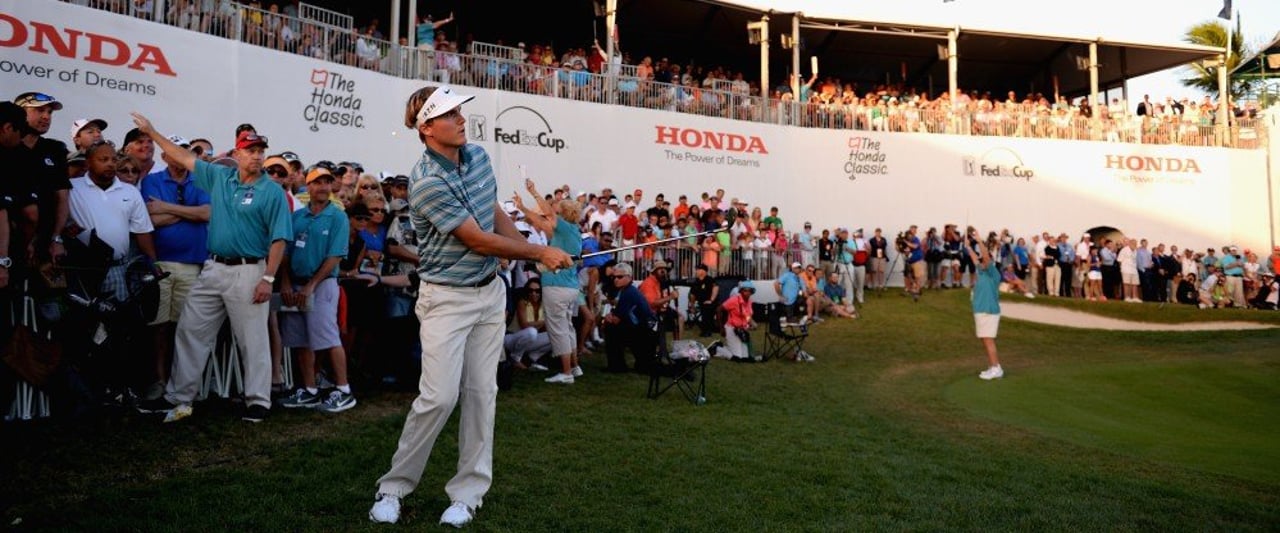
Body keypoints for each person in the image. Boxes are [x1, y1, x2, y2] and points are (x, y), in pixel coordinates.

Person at [369, 86, 572, 528]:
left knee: (483, 395)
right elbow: (475, 239)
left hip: (489, 293)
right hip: (447, 299)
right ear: (426, 128)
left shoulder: (477, 156)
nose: (462, 120)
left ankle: (468, 493)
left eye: (460, 112)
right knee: (438, 397)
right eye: (450, 115)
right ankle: (394, 486)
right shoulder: (426, 181)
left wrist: (529, 251)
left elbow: (492, 212)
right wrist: (539, 254)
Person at [132, 116, 292, 424]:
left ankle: (258, 400)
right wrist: (152, 132)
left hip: (249, 271)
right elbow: (183, 156)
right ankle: (178, 397)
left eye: (261, 150)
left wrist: (268, 279)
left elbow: (279, 238)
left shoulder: (271, 191)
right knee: (191, 329)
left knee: (252, 339)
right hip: (213, 266)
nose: (257, 155)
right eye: (251, 150)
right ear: (238, 153)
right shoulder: (221, 178)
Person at [138, 134, 212, 401]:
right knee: (158, 326)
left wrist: (168, 208)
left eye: (185, 152)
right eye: (175, 152)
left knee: (186, 328)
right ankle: (159, 380)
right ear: (164, 156)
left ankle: (181, 384)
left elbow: (207, 213)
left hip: (192, 266)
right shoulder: (151, 181)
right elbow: (149, 219)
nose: (180, 157)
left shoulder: (201, 179)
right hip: (159, 264)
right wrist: (188, 212)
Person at [278, 167, 356, 412]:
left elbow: (335, 255)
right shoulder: (297, 217)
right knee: (300, 339)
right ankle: (309, 389)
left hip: (322, 284)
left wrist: (311, 285)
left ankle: (344, 389)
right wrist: (287, 282)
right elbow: (285, 253)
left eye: (326, 182)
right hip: (297, 284)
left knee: (328, 338)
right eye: (316, 182)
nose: (322, 187)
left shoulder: (337, 216)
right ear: (308, 186)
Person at [512, 178, 583, 385]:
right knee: (567, 327)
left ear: (563, 213)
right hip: (569, 288)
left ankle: (566, 372)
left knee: (558, 329)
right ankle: (575, 367)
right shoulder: (570, 231)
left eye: (557, 208)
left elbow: (547, 215)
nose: (553, 209)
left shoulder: (565, 227)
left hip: (557, 286)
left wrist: (533, 192)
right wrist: (522, 207)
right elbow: (540, 221)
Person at [600, 262, 657, 373]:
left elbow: (616, 319)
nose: (616, 279)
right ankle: (618, 365)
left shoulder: (629, 293)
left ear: (629, 277)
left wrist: (608, 318)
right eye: (614, 277)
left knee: (611, 328)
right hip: (643, 331)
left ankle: (616, 366)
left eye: (619, 277)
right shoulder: (627, 290)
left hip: (645, 334)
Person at [964, 227, 1003, 380]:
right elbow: (976, 258)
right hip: (980, 310)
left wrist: (979, 241)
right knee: (985, 340)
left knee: (988, 340)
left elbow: (984, 256)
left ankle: (996, 368)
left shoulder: (993, 273)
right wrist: (968, 247)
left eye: (987, 260)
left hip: (989, 311)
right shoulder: (981, 271)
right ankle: (993, 366)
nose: (984, 261)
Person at [709, 280, 755, 360]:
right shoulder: (734, 300)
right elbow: (719, 309)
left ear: (752, 292)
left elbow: (747, 316)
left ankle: (724, 347)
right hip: (731, 329)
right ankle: (716, 348)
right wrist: (721, 327)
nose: (747, 292)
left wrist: (750, 324)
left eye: (749, 290)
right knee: (737, 357)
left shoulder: (749, 302)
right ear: (740, 291)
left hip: (741, 330)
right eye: (745, 290)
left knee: (745, 357)